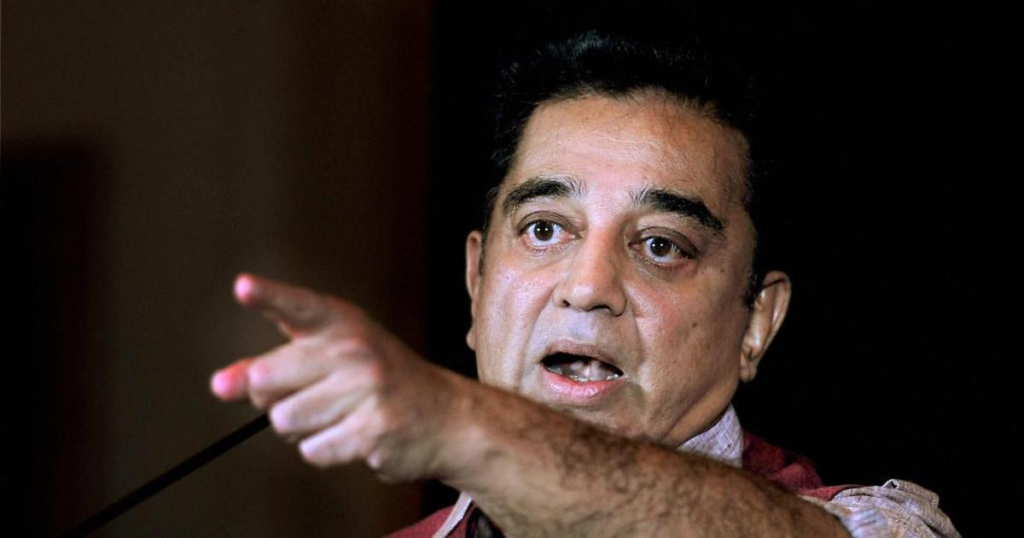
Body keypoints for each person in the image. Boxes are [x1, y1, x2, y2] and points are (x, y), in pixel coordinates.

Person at [211, 30, 958, 537]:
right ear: (476, 279)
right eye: (544, 229)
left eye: (661, 245)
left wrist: (456, 422)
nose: (589, 285)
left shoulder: (875, 526)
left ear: (757, 321)